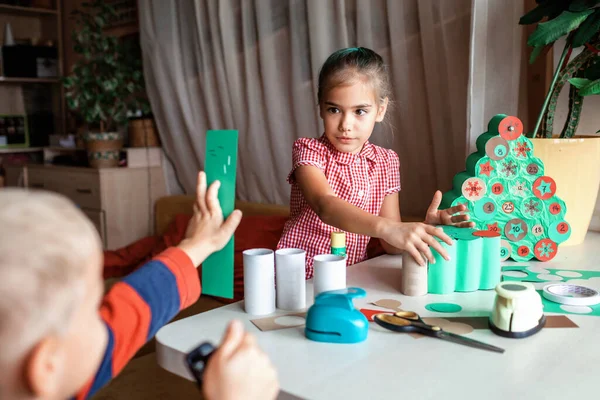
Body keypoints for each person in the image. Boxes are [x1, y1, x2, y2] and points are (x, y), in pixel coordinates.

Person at [0, 172, 279, 400]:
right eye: (95, 310)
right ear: (48, 365)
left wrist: (196, 246)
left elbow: (133, 305)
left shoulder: (48, 374)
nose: (107, 314)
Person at [277, 47, 473, 278]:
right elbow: (325, 205)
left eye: (360, 111)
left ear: (380, 110)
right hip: (298, 279)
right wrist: (389, 228)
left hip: (351, 278)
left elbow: (390, 244)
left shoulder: (386, 162)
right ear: (320, 107)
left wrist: (426, 229)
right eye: (334, 110)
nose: (345, 125)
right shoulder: (309, 150)